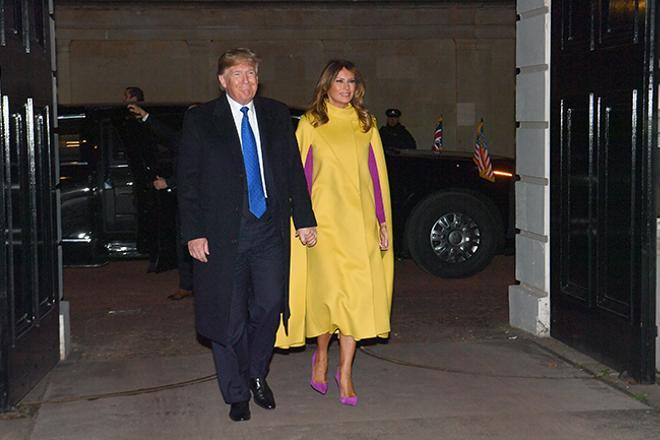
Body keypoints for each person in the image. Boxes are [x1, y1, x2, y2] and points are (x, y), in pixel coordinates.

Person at [177, 48, 317, 422]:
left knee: (271, 304)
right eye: (237, 75)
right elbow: (187, 181)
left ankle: (256, 372)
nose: (246, 82)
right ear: (222, 80)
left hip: (268, 230)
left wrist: (304, 219)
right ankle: (237, 391)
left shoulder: (274, 114)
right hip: (222, 235)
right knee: (228, 318)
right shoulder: (201, 119)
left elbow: (292, 172)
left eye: (252, 74)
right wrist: (194, 232)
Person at [275, 59, 394, 407]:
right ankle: (322, 355)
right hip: (324, 226)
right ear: (326, 85)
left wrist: (382, 223)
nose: (346, 87)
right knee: (328, 299)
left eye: (351, 82)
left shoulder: (366, 123)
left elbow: (377, 176)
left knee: (356, 299)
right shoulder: (311, 123)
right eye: (339, 81)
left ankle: (345, 373)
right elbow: (300, 177)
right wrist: (301, 222)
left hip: (359, 226)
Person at [127, 103, 194, 300]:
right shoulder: (184, 139)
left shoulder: (213, 141)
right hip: (187, 201)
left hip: (209, 203)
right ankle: (186, 285)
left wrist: (169, 182)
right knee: (183, 243)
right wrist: (146, 116)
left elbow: (201, 175)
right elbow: (166, 134)